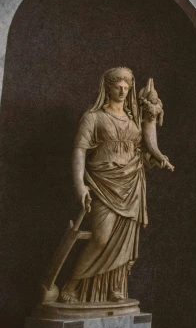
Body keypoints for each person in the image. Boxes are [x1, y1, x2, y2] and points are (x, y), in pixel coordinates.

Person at [59, 68, 173, 304]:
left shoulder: (133, 120)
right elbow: (79, 151)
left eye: (126, 87)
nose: (122, 91)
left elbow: (140, 152)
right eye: (117, 86)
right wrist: (79, 184)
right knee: (101, 238)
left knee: (124, 240)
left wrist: (156, 158)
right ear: (107, 88)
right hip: (104, 183)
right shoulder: (93, 117)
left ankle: (115, 287)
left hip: (132, 183)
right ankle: (73, 283)